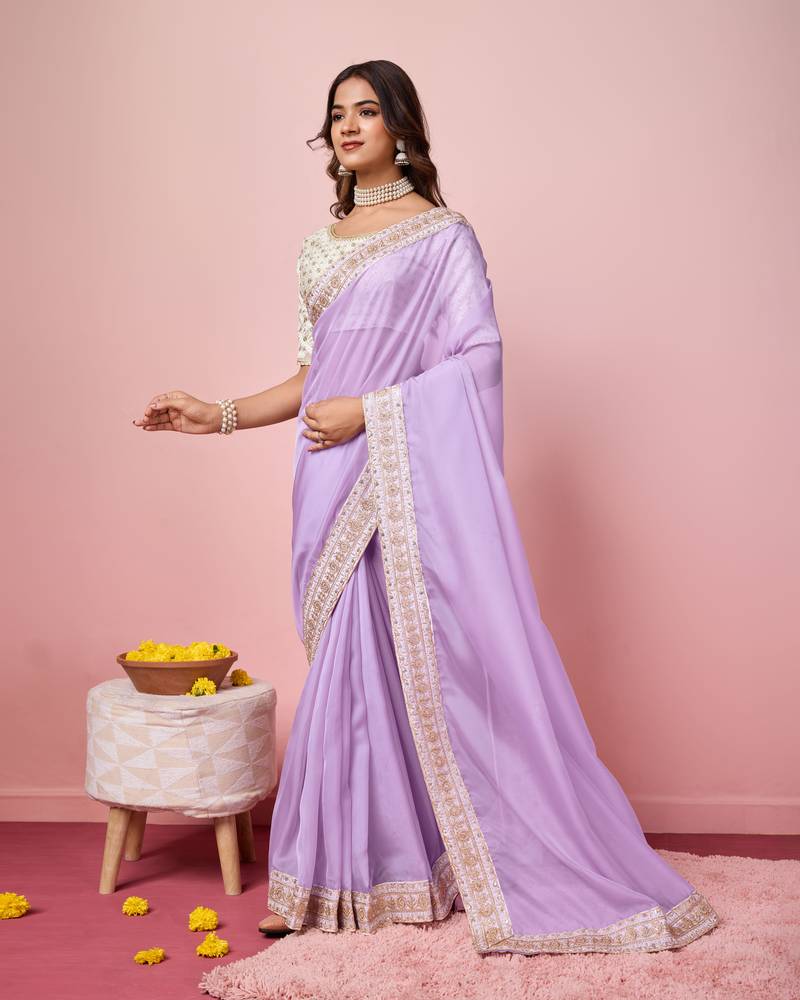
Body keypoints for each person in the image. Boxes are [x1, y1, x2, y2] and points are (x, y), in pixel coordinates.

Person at [135, 60, 719, 956]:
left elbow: (478, 361)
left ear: (401, 128)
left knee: (376, 668)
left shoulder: (444, 238)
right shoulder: (319, 247)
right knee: (349, 664)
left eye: (367, 110)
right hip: (326, 476)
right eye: (337, 113)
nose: (348, 125)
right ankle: (359, 871)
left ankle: (348, 875)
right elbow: (309, 379)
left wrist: (372, 411)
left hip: (398, 468)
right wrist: (214, 415)